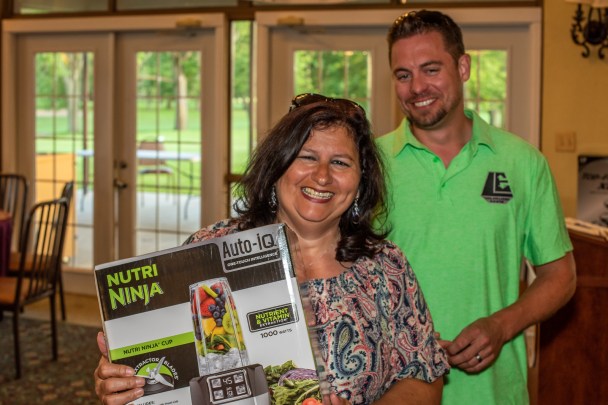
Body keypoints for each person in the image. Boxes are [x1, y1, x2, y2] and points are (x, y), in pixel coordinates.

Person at [94, 93, 449, 405]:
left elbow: (425, 377)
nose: (322, 176)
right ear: (278, 166)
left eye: (340, 162)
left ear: (361, 181)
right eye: (307, 157)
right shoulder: (208, 250)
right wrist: (123, 384)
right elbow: (162, 367)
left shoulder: (386, 266)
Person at [376, 9, 577, 405]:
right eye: (403, 75)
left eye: (431, 69)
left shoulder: (523, 162)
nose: (417, 87)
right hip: (393, 392)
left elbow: (561, 276)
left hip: (494, 393)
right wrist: (399, 337)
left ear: (463, 67)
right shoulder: (368, 165)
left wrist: (501, 326)